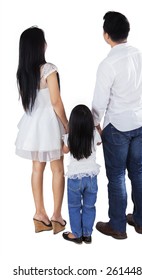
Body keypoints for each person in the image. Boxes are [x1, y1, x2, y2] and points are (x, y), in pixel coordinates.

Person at [92, 11, 142, 239]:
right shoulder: (140, 54)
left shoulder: (108, 63)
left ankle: (117, 226)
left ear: (107, 35)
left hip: (117, 125)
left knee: (116, 176)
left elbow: (99, 101)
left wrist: (96, 124)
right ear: (126, 32)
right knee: (138, 170)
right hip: (141, 122)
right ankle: (141, 220)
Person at [15, 27, 68, 234]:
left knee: (37, 169)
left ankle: (39, 214)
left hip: (33, 124)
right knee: (58, 170)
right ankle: (56, 216)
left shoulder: (22, 73)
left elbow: (27, 103)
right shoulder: (49, 69)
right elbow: (56, 101)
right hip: (50, 123)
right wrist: (67, 125)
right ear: (40, 46)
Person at [62, 105, 101, 244]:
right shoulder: (94, 134)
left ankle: (77, 234)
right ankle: (87, 234)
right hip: (91, 177)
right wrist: (97, 127)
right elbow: (100, 141)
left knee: (74, 207)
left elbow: (64, 151)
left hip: (74, 179)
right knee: (89, 206)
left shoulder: (69, 138)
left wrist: (66, 132)